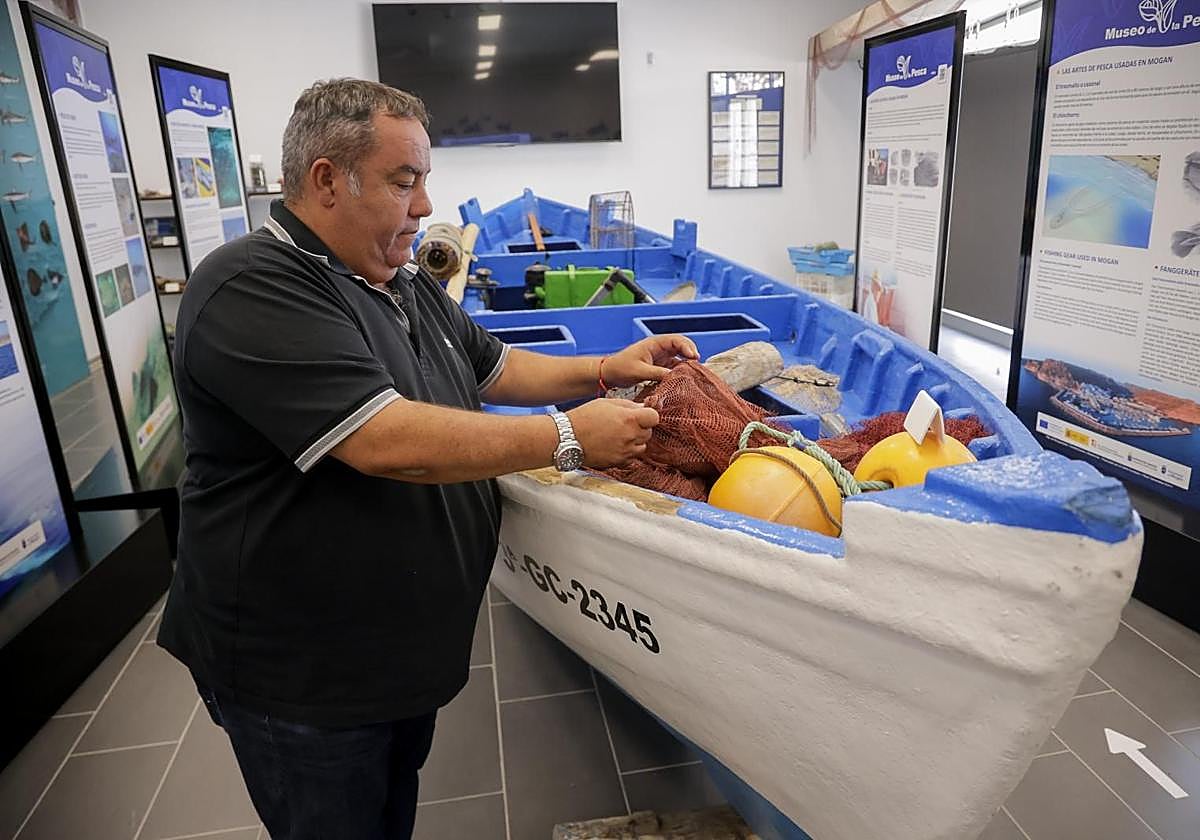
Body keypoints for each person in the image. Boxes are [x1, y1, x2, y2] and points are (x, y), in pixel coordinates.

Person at [157, 78, 698, 840]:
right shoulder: (251, 286)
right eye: (402, 181)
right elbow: (386, 441)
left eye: (424, 181)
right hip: (305, 679)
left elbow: (497, 367)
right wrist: (567, 436)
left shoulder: (397, 275)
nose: (423, 206)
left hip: (393, 663)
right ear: (327, 181)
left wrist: (608, 368)